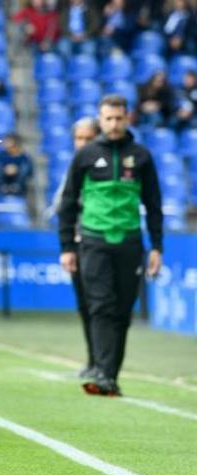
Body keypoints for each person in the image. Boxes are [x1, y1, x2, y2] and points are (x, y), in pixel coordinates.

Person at [58, 95, 164, 397]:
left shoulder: (142, 156)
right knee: (101, 306)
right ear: (100, 119)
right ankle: (103, 373)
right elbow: (67, 204)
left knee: (121, 310)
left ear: (127, 117)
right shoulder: (85, 155)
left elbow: (153, 204)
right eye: (108, 119)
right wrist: (67, 246)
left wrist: (157, 246)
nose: (114, 124)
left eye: (119, 118)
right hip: (93, 241)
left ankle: (110, 376)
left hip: (130, 242)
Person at [51, 117, 100, 380]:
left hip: (98, 243)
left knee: (100, 305)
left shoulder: (104, 166)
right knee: (84, 305)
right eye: (78, 139)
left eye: (87, 139)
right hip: (78, 244)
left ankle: (103, 361)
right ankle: (93, 359)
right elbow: (61, 204)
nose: (82, 144)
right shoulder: (74, 167)